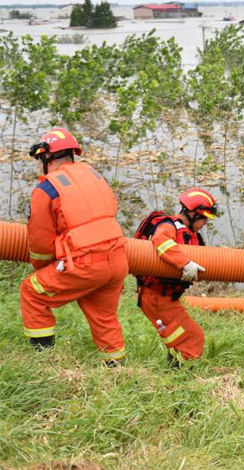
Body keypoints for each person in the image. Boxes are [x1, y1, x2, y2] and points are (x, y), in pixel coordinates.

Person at [20, 128, 129, 363]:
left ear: (46, 157)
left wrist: (42, 267)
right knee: (104, 317)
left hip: (85, 264)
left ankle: (44, 360)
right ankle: (117, 370)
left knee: (32, 291)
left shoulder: (46, 189)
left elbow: (40, 243)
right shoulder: (93, 174)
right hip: (118, 261)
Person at [136, 189, 216, 367]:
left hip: (168, 298)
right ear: (192, 213)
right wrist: (184, 263)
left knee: (181, 340)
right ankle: (178, 381)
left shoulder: (192, 234)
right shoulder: (169, 226)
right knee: (193, 340)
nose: (205, 223)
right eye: (204, 218)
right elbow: (160, 239)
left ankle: (172, 372)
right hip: (155, 296)